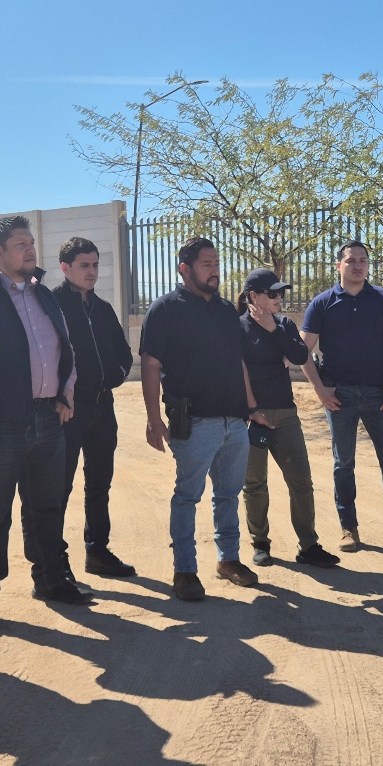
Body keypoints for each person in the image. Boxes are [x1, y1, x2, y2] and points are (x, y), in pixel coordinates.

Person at [0, 215, 88, 636]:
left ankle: (51, 580)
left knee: (47, 507)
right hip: (0, 423)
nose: (30, 250)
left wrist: (65, 392)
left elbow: (65, 350)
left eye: (31, 243)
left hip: (47, 418)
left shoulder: (43, 294)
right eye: (21, 244)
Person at [139, 237, 264, 601]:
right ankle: (185, 571)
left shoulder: (226, 310)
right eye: (206, 264)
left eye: (216, 263)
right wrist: (153, 419)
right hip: (194, 423)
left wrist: (250, 407)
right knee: (187, 497)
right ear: (185, 269)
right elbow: (150, 364)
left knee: (229, 495)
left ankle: (229, 560)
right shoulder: (164, 309)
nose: (215, 270)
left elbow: (239, 362)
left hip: (234, 422)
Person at [299, 241, 383, 553]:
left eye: (363, 260)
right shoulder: (322, 303)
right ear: (339, 266)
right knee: (343, 463)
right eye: (351, 261)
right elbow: (302, 349)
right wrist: (319, 388)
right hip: (339, 396)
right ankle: (348, 528)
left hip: (380, 394)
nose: (358, 266)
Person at [238, 269, 338, 569]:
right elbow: (238, 372)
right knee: (255, 484)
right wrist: (250, 410)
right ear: (253, 296)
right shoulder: (237, 327)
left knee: (301, 480)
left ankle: (309, 546)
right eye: (273, 293)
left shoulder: (284, 324)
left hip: (285, 414)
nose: (279, 298)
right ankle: (260, 544)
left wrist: (273, 329)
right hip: (251, 417)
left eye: (280, 292)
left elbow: (299, 356)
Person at [53, 236, 136, 579]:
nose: (91, 272)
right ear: (65, 268)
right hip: (68, 411)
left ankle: (97, 552)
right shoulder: (52, 306)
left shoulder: (102, 308)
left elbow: (123, 352)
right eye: (84, 265)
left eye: (95, 265)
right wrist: (61, 394)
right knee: (59, 488)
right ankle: (55, 562)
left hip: (103, 408)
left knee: (99, 484)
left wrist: (116, 375)